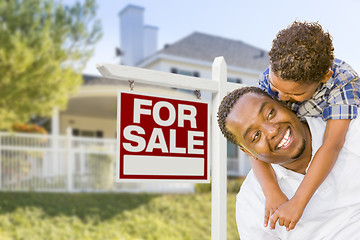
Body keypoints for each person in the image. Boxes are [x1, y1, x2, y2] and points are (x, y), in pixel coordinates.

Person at [254, 21, 360, 230]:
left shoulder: (343, 82)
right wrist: (271, 189)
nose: (281, 98)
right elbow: (250, 137)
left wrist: (298, 202)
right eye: (276, 88)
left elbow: (332, 144)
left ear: (324, 77)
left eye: (295, 94)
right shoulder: (268, 78)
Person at [217, 86, 360, 239]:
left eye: (270, 114)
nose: (271, 131)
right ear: (248, 152)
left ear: (283, 103)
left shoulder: (351, 129)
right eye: (256, 136)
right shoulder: (252, 201)